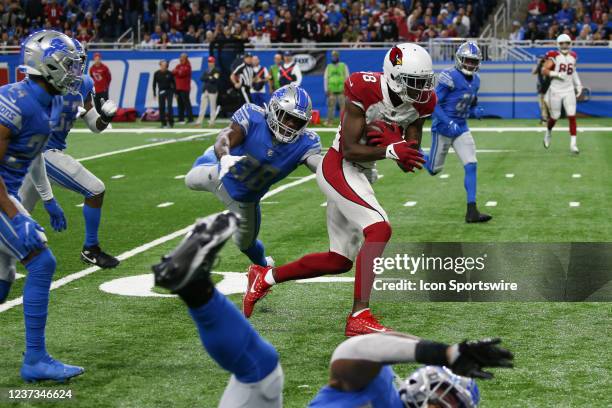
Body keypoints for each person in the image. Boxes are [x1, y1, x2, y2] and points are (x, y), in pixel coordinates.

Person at [151, 210, 514, 407]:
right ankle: (195, 288)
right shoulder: (380, 389)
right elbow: (355, 350)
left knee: (265, 376)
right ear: (424, 387)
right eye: (444, 406)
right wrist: (444, 352)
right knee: (263, 375)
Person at [243, 43, 434, 337]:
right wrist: (389, 149)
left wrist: (401, 148)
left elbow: (410, 146)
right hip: (339, 166)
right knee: (379, 228)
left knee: (339, 261)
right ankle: (359, 316)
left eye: (424, 83)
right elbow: (349, 148)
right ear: (395, 76)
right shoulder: (364, 87)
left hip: (362, 172)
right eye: (415, 83)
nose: (421, 90)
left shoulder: (422, 102)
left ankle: (264, 277)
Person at [0, 30, 84, 382]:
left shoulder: (50, 101)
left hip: (9, 190)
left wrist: (47, 201)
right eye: (68, 64)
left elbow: (33, 155)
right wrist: (13, 212)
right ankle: (35, 359)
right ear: (45, 63)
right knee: (41, 260)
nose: (75, 71)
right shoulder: (15, 101)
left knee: (3, 279)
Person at [184, 85, 321, 268]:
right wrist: (223, 156)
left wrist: (346, 171)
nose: (291, 124)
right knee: (189, 179)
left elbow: (320, 164)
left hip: (244, 201)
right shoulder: (253, 117)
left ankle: (265, 266)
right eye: (287, 117)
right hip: (220, 175)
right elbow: (224, 137)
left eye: (297, 121)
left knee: (245, 244)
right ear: (273, 109)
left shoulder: (306, 143)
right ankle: (210, 155)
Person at [19, 38, 119, 269]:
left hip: (48, 151)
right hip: (40, 151)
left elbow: (95, 126)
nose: (76, 68)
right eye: (71, 63)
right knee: (95, 189)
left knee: (19, 213)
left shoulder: (83, 83)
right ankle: (91, 248)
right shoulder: (41, 84)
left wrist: (105, 117)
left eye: (78, 63)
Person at [425, 42, 492, 224]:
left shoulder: (476, 80)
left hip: (461, 127)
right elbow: (433, 104)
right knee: (434, 169)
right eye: (467, 60)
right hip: (443, 127)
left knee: (471, 164)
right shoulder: (449, 76)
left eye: (473, 61)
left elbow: (470, 103)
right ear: (459, 59)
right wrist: (448, 121)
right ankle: (413, 152)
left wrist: (475, 111)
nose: (470, 64)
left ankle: (472, 210)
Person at [541, 34, 583, 154]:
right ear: (558, 44)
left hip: (569, 89)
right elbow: (544, 70)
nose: (564, 46)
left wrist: (578, 85)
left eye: (566, 43)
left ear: (570, 44)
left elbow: (573, 72)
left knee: (572, 115)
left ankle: (573, 145)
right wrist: (557, 74)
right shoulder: (554, 56)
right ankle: (548, 131)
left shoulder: (573, 56)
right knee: (555, 116)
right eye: (562, 43)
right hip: (555, 90)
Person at [324, 50, 349, 125]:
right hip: (331, 91)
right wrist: (326, 90)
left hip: (342, 91)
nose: (334, 57)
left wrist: (346, 89)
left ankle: (344, 122)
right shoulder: (329, 67)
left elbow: (347, 77)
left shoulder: (343, 65)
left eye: (335, 56)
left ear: (338, 57)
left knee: (344, 108)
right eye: (333, 56)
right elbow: (326, 78)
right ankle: (329, 121)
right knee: (330, 107)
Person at [196, 56, 220, 127]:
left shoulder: (216, 70)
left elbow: (214, 79)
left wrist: (208, 78)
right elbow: (202, 78)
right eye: (209, 62)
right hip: (205, 90)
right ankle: (199, 122)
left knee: (212, 107)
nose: (210, 63)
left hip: (212, 91)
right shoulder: (206, 70)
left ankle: (212, 122)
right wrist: (209, 77)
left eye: (211, 62)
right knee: (202, 107)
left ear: (214, 62)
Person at [153, 60, 175, 128]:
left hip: (169, 91)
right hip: (161, 91)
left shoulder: (170, 73)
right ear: (160, 65)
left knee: (169, 106)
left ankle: (171, 122)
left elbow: (174, 83)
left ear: (167, 66)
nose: (164, 67)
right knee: (161, 107)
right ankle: (163, 123)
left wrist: (175, 92)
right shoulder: (156, 73)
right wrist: (154, 93)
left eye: (165, 65)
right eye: (162, 65)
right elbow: (154, 84)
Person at [173, 53, 194, 124]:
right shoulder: (178, 66)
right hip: (178, 87)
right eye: (180, 57)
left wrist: (177, 72)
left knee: (186, 103)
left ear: (186, 58)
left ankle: (190, 119)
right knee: (180, 104)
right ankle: (181, 119)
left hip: (185, 88)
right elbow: (173, 72)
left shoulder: (188, 66)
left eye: (183, 57)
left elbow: (181, 73)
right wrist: (177, 72)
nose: (181, 59)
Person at [533, 54, 551, 124]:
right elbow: (533, 72)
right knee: (542, 105)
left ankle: (547, 118)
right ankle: (544, 119)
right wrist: (539, 65)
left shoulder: (549, 67)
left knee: (548, 105)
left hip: (547, 88)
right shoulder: (539, 67)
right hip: (541, 89)